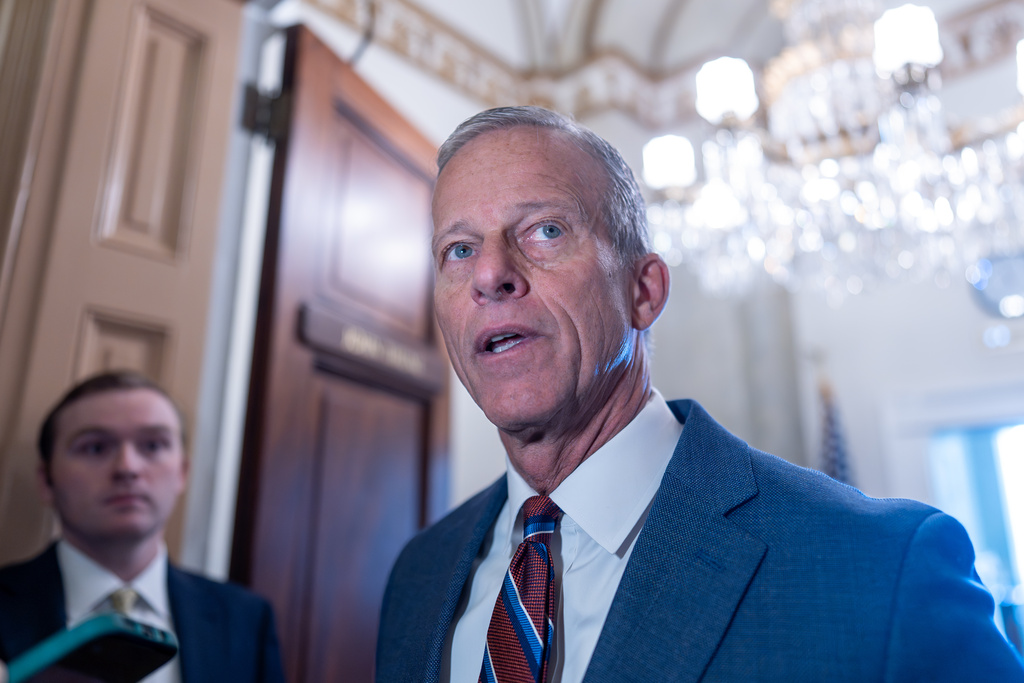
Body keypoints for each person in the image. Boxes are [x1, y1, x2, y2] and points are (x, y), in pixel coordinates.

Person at [375, 106, 1024, 682]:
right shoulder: (418, 577)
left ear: (645, 291)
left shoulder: (886, 570)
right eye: (458, 249)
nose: (490, 272)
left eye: (544, 231)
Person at [0, 371, 285, 683]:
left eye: (152, 445)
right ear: (46, 481)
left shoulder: (247, 620)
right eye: (95, 447)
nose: (128, 468)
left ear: (182, 473)